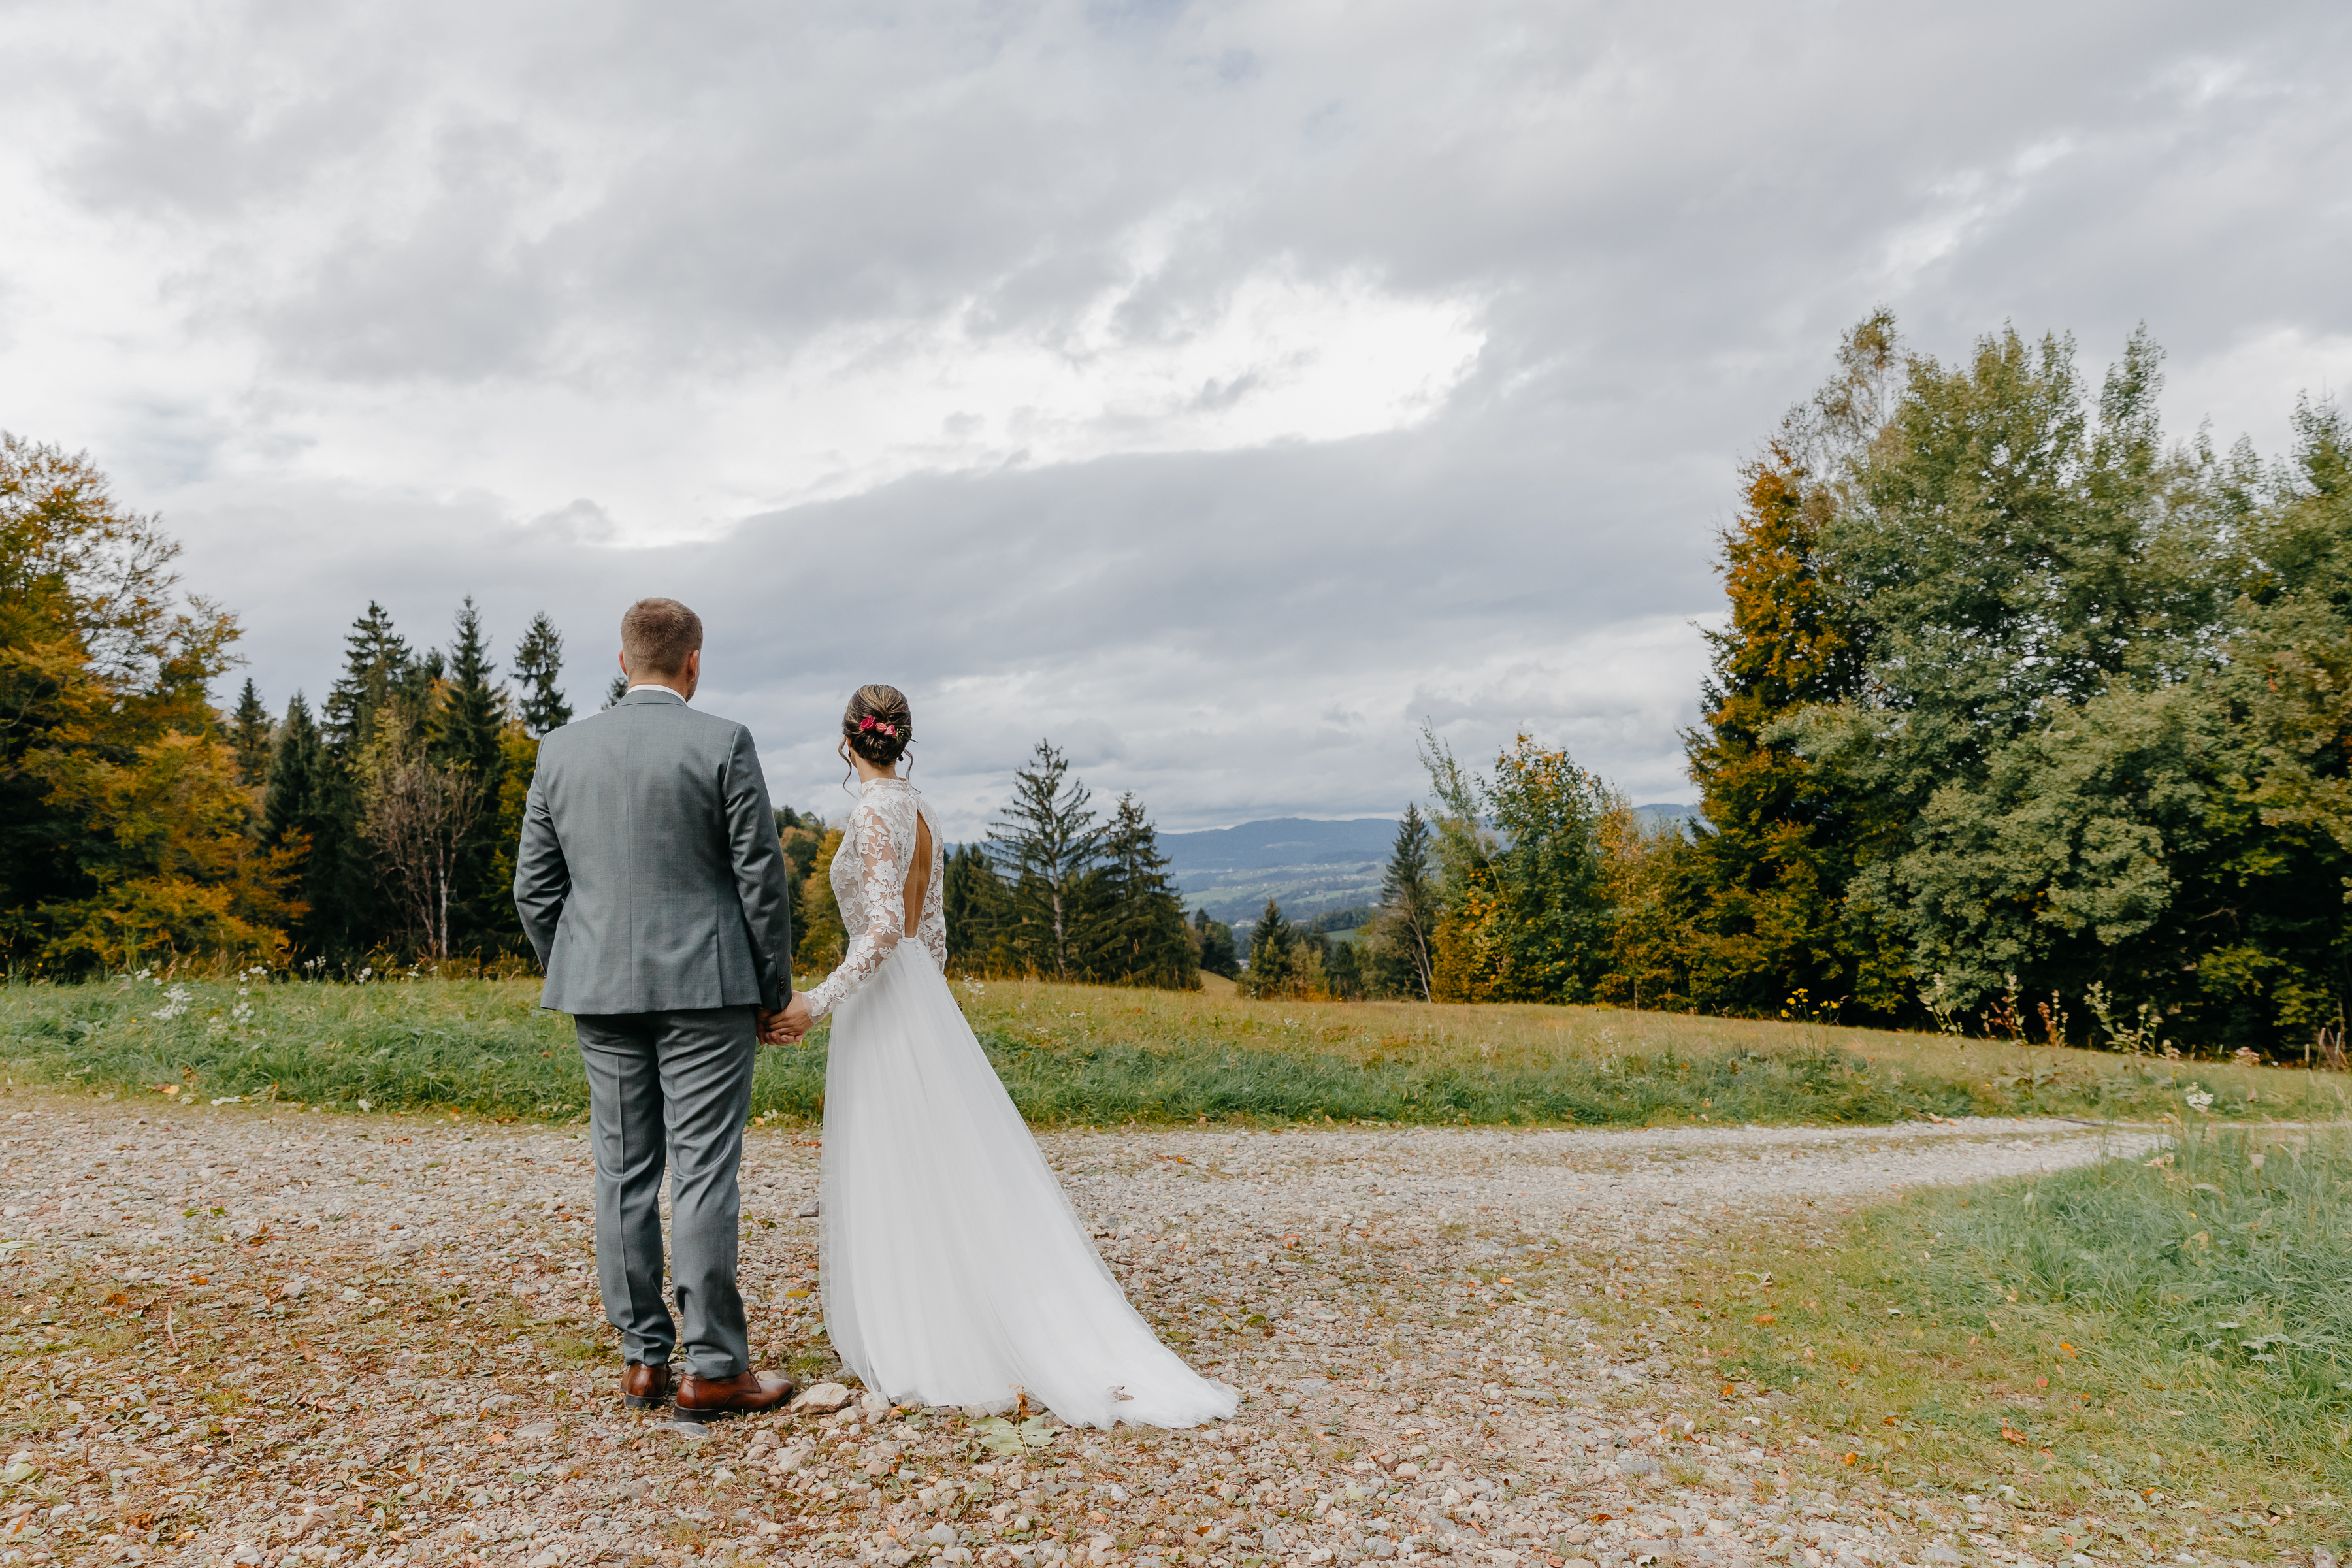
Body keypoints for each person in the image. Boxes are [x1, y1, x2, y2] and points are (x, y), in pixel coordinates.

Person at [796, 683, 1235, 1428]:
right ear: (902, 740)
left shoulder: (872, 813)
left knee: (896, 1161)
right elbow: (929, 932)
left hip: (881, 998)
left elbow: (878, 933)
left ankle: (922, 1334)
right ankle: (955, 1308)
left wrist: (814, 1003)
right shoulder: (920, 810)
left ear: (847, 741)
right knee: (938, 1163)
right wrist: (930, 1008)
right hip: (919, 996)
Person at [512, 597, 812, 1418]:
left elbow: (534, 888)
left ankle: (643, 1358)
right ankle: (713, 1365)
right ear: (694, 663)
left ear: (622, 662)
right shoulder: (722, 742)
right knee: (705, 1171)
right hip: (708, 991)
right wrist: (772, 988)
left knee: (622, 1172)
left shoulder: (561, 750)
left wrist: (579, 964)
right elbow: (761, 878)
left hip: (601, 992)